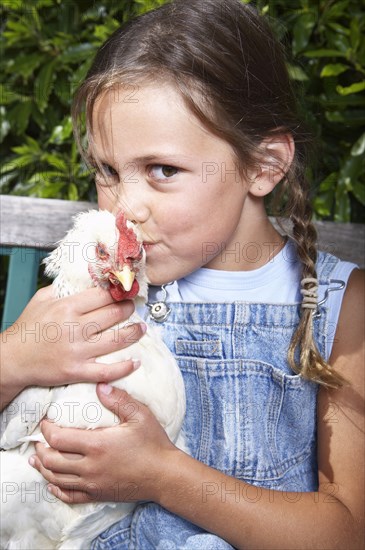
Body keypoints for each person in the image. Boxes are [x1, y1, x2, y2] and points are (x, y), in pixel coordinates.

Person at [1, 0, 364, 548]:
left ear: (264, 165)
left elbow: (345, 531)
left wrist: (164, 476)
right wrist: (13, 358)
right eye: (106, 170)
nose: (125, 205)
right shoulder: (100, 281)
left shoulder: (337, 306)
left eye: (162, 170)